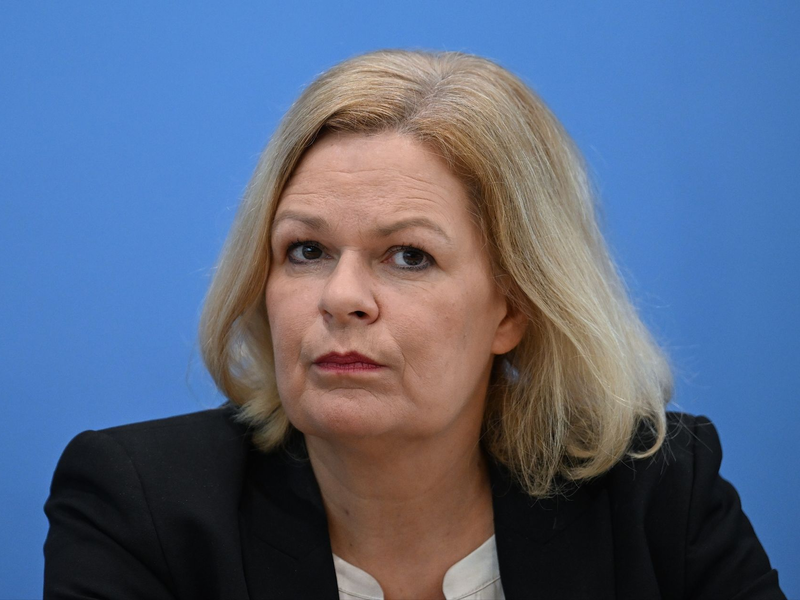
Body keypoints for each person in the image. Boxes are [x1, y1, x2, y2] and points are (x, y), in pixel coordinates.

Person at [43, 50, 786, 600]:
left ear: (512, 307)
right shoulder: (140, 508)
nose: (341, 298)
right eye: (306, 250)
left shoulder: (657, 496)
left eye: (409, 256)